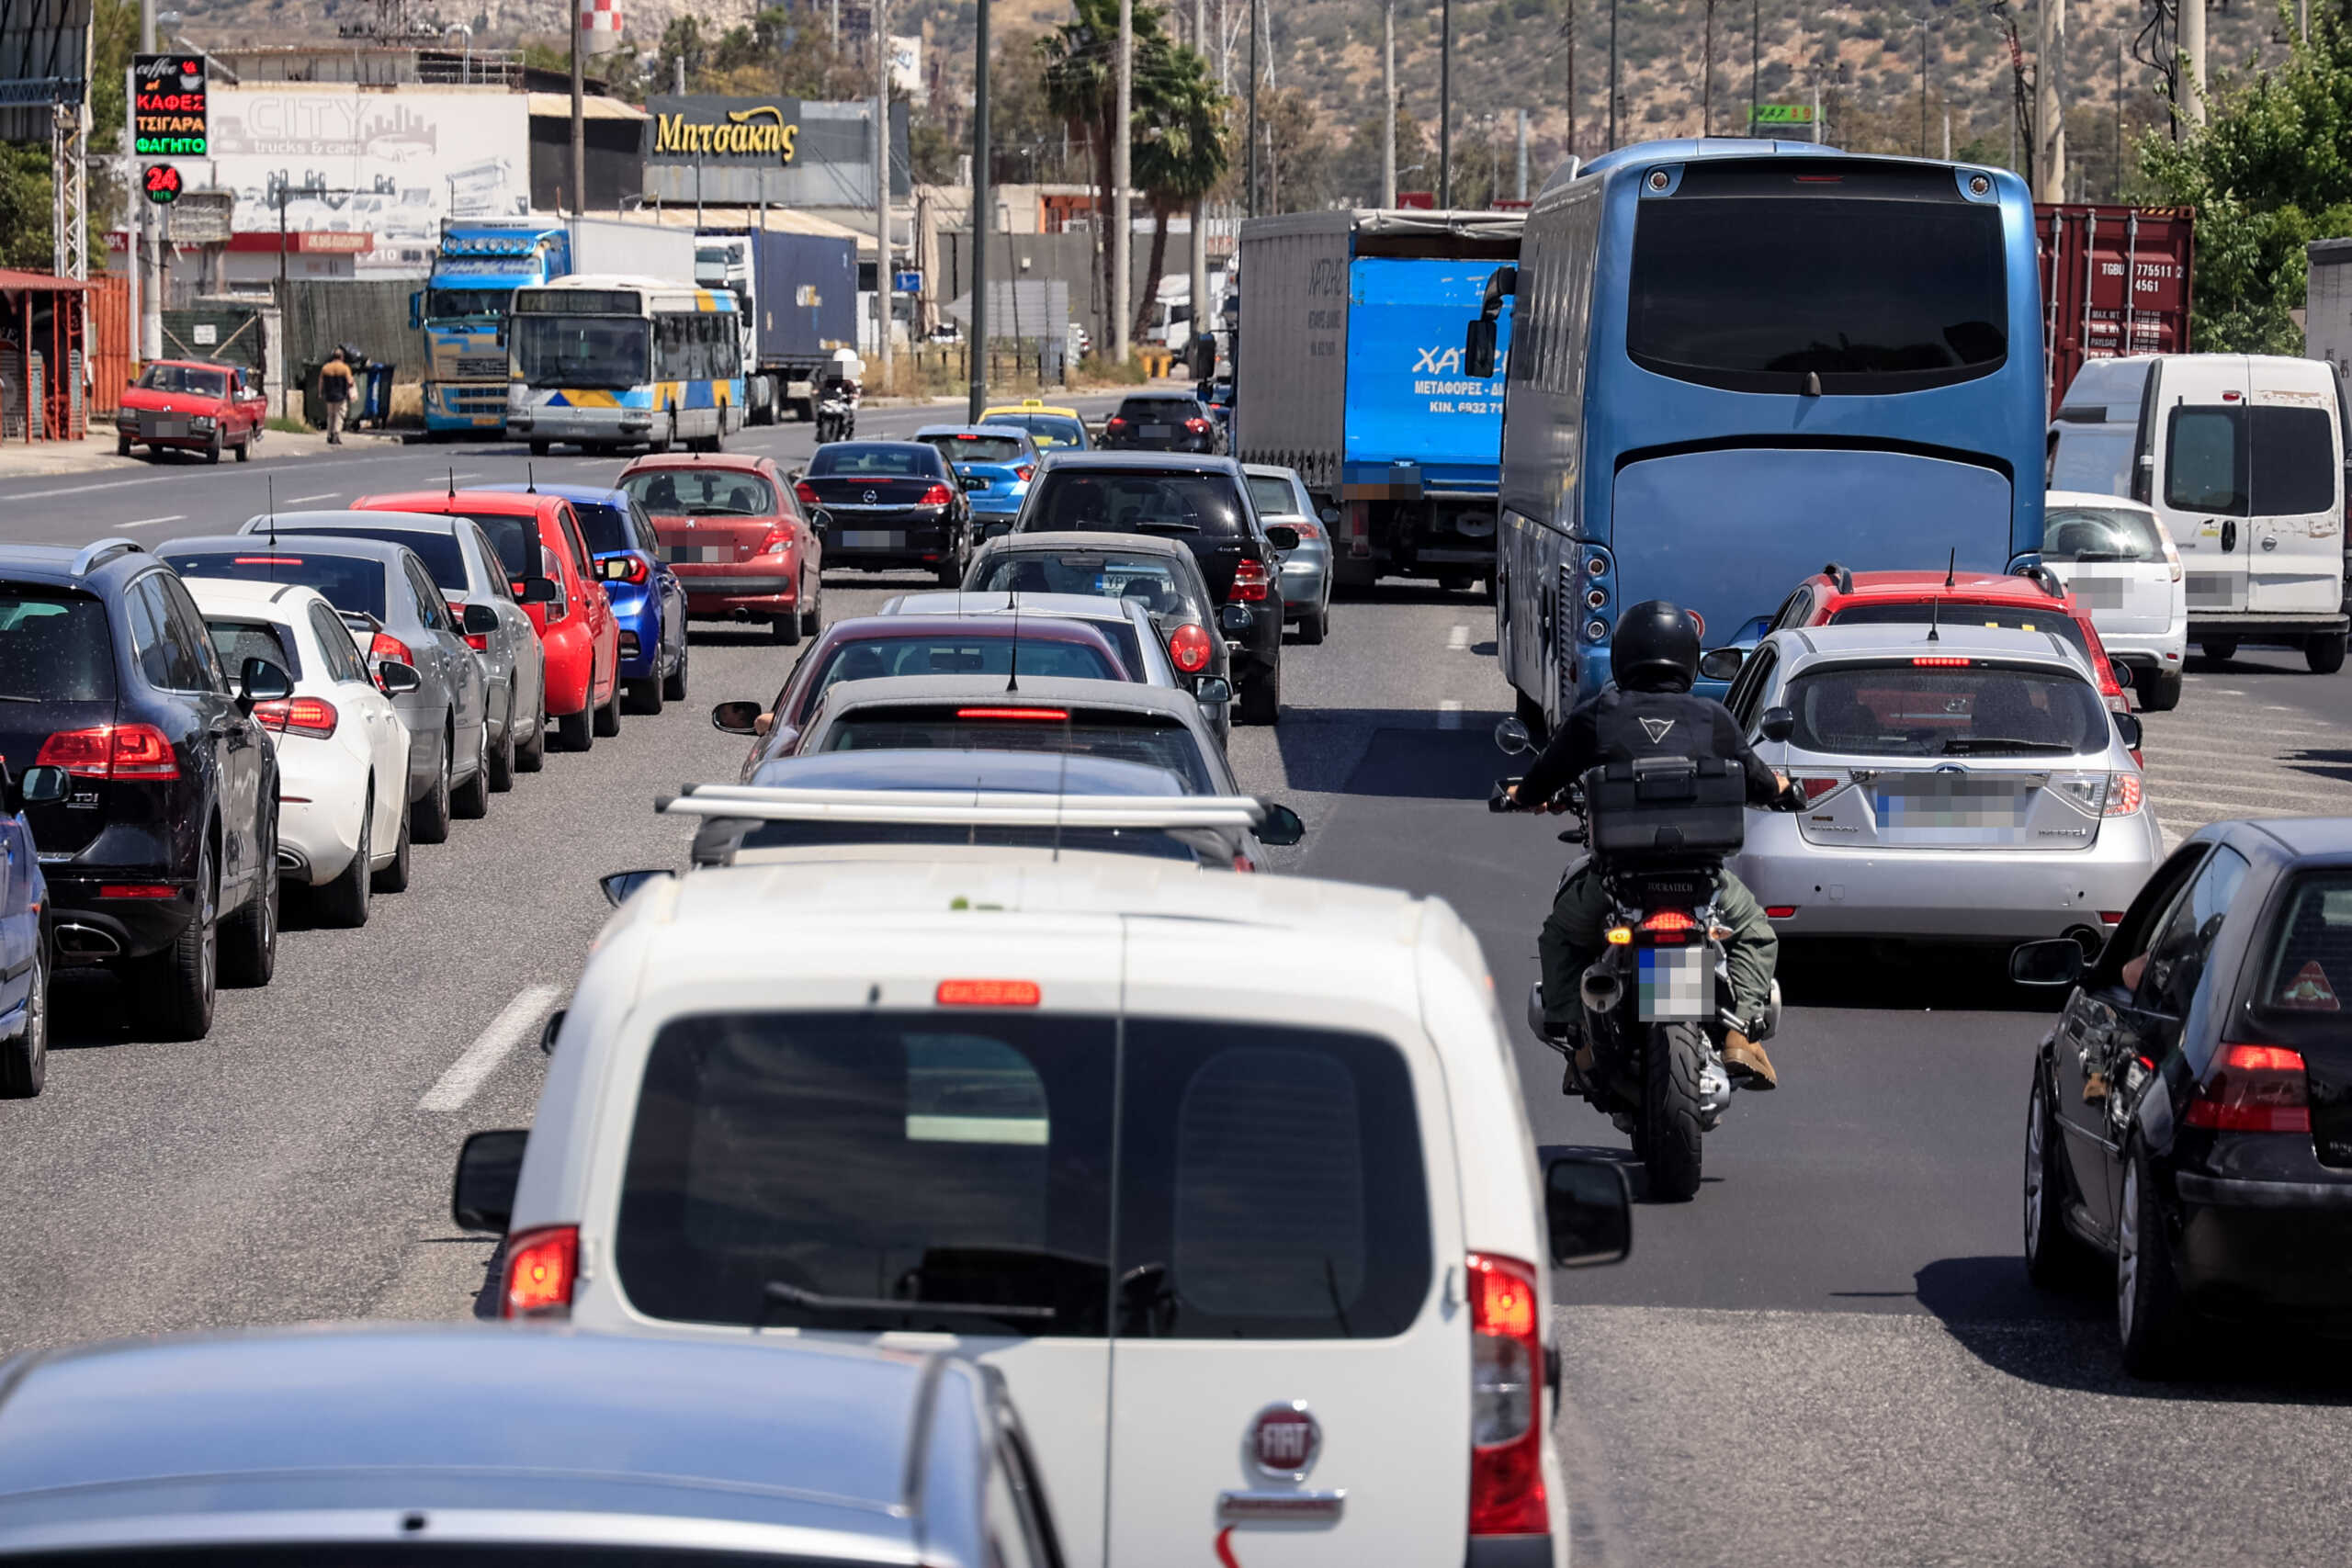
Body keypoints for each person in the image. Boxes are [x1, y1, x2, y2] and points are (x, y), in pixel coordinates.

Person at [1510, 600, 1790, 1089]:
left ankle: (1578, 1039)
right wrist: (1784, 789)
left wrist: (1523, 796)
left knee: (1561, 935)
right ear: (1687, 656)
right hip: (1702, 884)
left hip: (1617, 883)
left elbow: (1544, 777)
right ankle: (1740, 1033)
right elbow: (1761, 782)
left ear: (1623, 655)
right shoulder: (1712, 717)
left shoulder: (1599, 714)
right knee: (1756, 933)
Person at [318, 351, 353, 446]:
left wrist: (320, 393)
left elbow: (321, 381)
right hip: (340, 396)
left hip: (329, 395)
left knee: (330, 415)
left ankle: (329, 434)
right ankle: (336, 434)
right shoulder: (345, 368)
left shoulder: (325, 368)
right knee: (339, 415)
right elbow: (350, 382)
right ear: (341, 357)